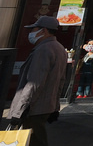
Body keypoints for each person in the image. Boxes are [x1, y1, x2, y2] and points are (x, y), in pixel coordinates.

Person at [8, 16, 67, 146]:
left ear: (43, 31)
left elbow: (34, 83)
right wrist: (55, 106)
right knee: (36, 138)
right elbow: (61, 80)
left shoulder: (43, 50)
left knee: (33, 140)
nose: (31, 33)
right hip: (45, 106)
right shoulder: (60, 48)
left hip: (34, 107)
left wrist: (19, 111)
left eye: (33, 29)